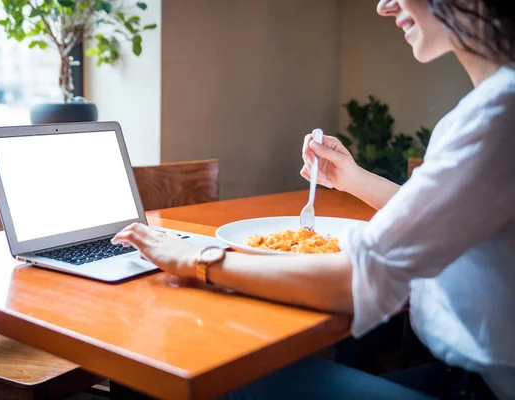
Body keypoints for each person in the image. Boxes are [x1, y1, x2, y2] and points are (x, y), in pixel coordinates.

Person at [112, 0, 515, 398]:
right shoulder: (500, 101)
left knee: (228, 376)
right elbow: (438, 220)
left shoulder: (499, 111)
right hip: (469, 378)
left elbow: (353, 280)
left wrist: (197, 259)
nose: (383, 6)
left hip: (482, 388)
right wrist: (352, 178)